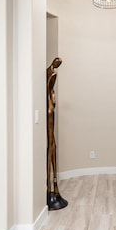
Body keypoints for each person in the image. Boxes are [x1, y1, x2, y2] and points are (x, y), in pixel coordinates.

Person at [46, 57, 67, 209]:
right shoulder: (50, 75)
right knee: (51, 147)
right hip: (48, 119)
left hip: (50, 119)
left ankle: (54, 186)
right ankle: (50, 188)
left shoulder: (51, 75)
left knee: (54, 146)